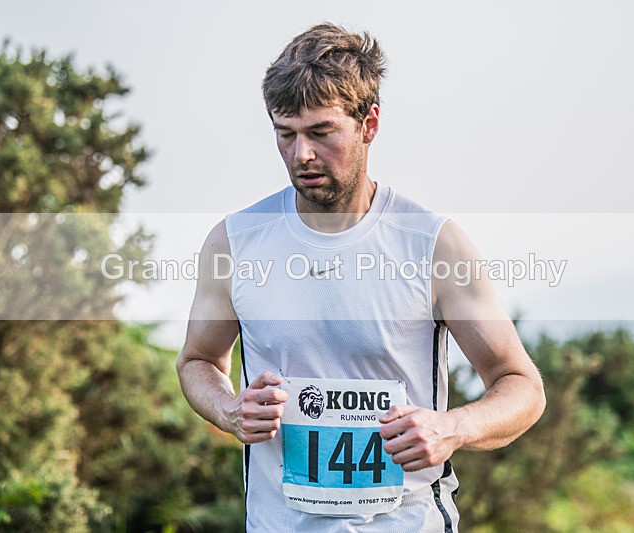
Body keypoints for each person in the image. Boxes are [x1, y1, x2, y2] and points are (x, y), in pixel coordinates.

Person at [176, 23, 546, 532]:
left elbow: (521, 385)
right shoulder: (236, 241)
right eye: (286, 134)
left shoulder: (433, 243)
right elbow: (197, 360)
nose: (301, 154)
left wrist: (451, 427)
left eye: (321, 133)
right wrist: (228, 409)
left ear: (369, 124)